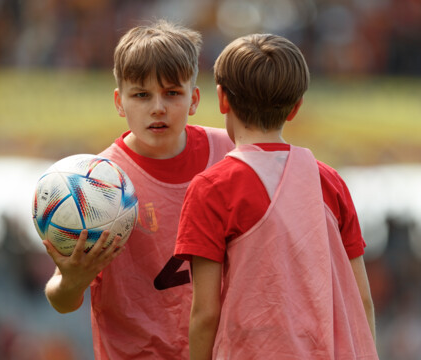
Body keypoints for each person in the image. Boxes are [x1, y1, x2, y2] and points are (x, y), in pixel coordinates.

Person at [174, 34, 378, 359]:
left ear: (222, 99)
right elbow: (361, 299)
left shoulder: (212, 188)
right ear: (296, 108)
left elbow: (205, 313)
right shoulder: (329, 181)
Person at [42, 20, 234, 359]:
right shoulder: (94, 184)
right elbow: (61, 300)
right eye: (141, 95)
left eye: (172, 93)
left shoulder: (231, 154)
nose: (157, 107)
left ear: (194, 99)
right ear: (119, 102)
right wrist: (73, 279)